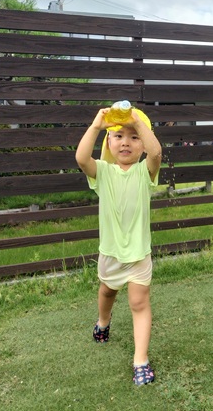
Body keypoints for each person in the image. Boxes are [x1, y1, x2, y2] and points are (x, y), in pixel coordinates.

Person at [75, 104, 162, 385]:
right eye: (118, 136)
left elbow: (156, 153)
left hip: (138, 254)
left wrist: (138, 122)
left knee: (139, 303)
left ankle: (140, 360)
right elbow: (81, 158)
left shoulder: (145, 172)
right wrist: (96, 126)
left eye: (134, 137)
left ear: (142, 143)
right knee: (107, 291)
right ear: (109, 143)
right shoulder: (102, 172)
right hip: (111, 254)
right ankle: (103, 321)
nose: (126, 142)